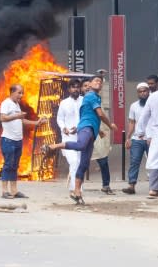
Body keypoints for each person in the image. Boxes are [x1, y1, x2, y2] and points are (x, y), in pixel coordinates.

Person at [43, 75, 117, 205]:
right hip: (80, 132)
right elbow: (99, 114)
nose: (76, 89)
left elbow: (90, 115)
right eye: (95, 81)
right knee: (77, 155)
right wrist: (110, 125)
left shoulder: (88, 98)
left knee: (83, 164)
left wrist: (98, 130)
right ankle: (53, 146)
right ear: (69, 89)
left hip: (87, 131)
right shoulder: (89, 96)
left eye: (100, 81)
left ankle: (77, 193)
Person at [0, 84, 46, 199]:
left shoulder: (16, 104)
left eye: (22, 93)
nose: (21, 95)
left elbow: (22, 120)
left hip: (18, 141)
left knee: (14, 166)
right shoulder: (6, 103)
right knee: (8, 165)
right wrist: (17, 115)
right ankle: (4, 191)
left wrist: (36, 123)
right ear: (12, 92)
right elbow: (3, 118)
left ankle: (14, 191)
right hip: (8, 140)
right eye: (19, 93)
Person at [122, 82, 150, 195]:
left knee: (153, 163)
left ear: (148, 91)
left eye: (145, 91)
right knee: (134, 162)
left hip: (151, 138)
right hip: (137, 139)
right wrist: (128, 138)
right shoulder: (134, 106)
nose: (143, 93)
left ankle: (156, 187)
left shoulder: (153, 104)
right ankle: (131, 186)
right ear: (137, 93)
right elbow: (132, 122)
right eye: (140, 92)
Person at [56, 79, 83, 191]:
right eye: (73, 87)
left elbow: (87, 117)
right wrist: (64, 128)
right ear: (69, 89)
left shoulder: (84, 101)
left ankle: (76, 186)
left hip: (82, 137)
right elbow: (59, 119)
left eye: (77, 87)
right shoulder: (64, 103)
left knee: (79, 163)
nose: (75, 89)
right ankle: (76, 189)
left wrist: (79, 127)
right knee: (74, 161)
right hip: (68, 138)